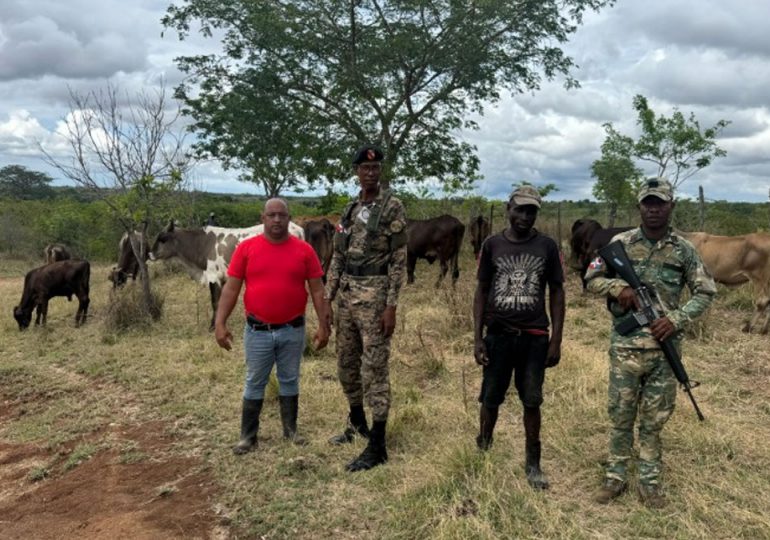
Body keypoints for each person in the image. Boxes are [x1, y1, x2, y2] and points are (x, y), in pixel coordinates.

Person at [585, 177, 716, 508]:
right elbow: (591, 278)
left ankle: (650, 483)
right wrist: (619, 289)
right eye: (648, 203)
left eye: (660, 203)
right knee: (620, 416)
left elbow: (705, 291)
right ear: (639, 207)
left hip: (664, 350)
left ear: (671, 206)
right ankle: (614, 478)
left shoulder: (684, 250)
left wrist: (675, 319)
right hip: (626, 348)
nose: (654, 209)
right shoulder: (620, 243)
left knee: (654, 421)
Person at [215, 198, 330, 455]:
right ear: (263, 218)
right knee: (255, 381)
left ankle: (291, 431)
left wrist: (324, 325)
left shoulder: (304, 251)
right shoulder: (246, 249)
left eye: (282, 215)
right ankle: (248, 437)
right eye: (272, 215)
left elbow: (317, 290)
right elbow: (231, 289)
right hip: (258, 331)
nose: (277, 219)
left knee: (290, 379)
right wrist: (220, 323)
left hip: (293, 329)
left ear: (289, 218)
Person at [473, 185, 565, 490]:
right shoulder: (492, 245)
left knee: (532, 400)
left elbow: (557, 291)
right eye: (520, 209)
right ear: (508, 209)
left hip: (534, 337)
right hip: (498, 336)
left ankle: (533, 462)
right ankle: (483, 448)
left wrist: (556, 340)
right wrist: (477, 338)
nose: (525, 216)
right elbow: (481, 290)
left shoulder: (547, 246)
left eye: (531, 211)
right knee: (490, 397)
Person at [323, 144, 407, 472]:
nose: (370, 173)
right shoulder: (350, 209)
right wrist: (327, 299)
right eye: (364, 168)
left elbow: (398, 260)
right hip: (347, 295)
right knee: (346, 363)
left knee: (375, 368)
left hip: (375, 298)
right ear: (356, 172)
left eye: (375, 168)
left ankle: (378, 444)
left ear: (380, 171)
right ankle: (357, 422)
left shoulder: (392, 207)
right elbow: (338, 256)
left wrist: (391, 306)